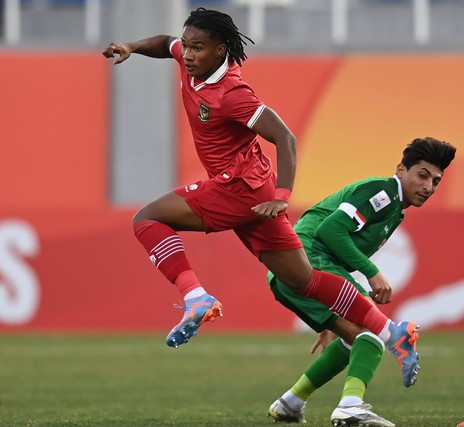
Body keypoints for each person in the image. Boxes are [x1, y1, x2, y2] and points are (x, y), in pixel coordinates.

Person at [102, 6, 417, 379]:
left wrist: (284, 194)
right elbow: (163, 43)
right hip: (255, 191)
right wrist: (132, 46)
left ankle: (196, 298)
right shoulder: (192, 61)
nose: (187, 54)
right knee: (305, 280)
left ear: (220, 50)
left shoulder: (232, 95)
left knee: (147, 219)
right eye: (186, 46)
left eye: (197, 48)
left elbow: (285, 137)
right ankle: (392, 332)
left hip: (237, 189)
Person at [267, 137, 456, 426]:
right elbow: (330, 231)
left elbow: (337, 243)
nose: (428, 187)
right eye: (422, 175)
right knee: (374, 330)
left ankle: (290, 403)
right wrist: (372, 271)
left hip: (289, 270)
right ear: (401, 170)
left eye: (436, 181)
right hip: (308, 260)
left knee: (353, 336)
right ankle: (351, 406)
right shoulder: (382, 192)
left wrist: (330, 313)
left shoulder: (395, 210)